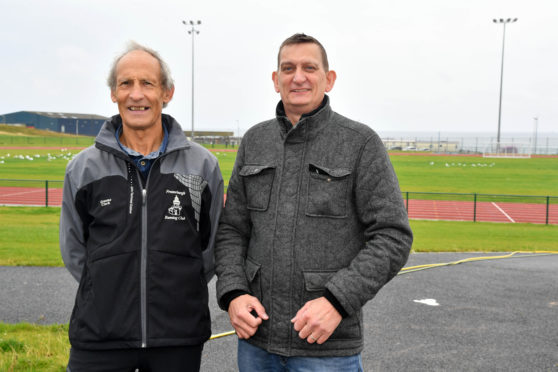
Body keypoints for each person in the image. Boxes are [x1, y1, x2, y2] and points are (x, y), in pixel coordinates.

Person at [215, 33, 413, 371]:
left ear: (329, 79)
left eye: (310, 67)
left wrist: (337, 301)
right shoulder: (254, 141)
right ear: (276, 81)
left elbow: (393, 235)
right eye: (288, 68)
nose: (298, 76)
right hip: (257, 344)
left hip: (327, 348)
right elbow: (232, 229)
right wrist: (233, 293)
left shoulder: (360, 143)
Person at [60, 42, 223, 372]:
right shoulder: (83, 168)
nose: (136, 95)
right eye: (126, 84)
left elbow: (211, 249)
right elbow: (75, 250)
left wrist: (177, 287)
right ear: (113, 94)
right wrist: (107, 289)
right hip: (99, 337)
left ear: (167, 93)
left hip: (176, 339)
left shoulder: (202, 166)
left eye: (147, 83)